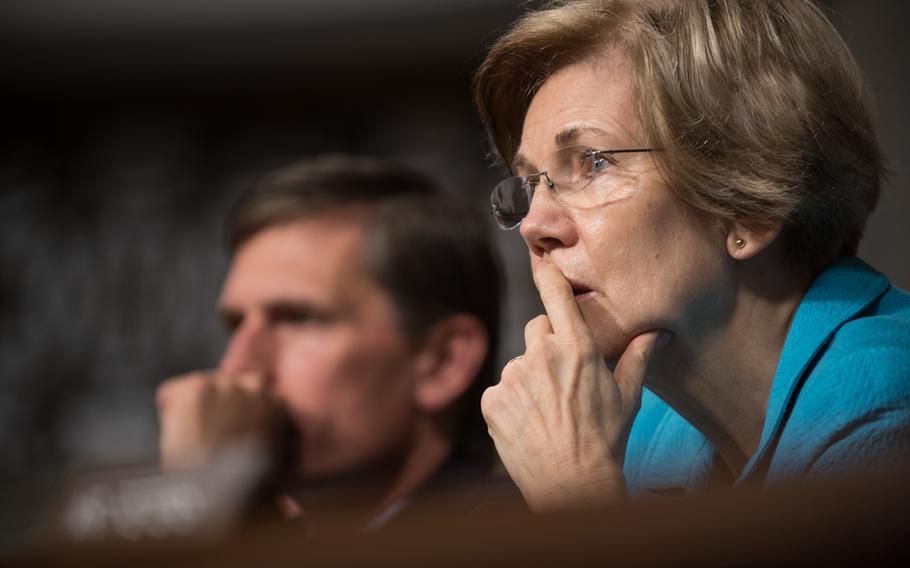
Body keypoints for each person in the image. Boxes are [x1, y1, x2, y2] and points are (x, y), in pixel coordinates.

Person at [472, 0, 910, 511]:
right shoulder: (646, 421)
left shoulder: (884, 407)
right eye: (529, 184)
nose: (534, 226)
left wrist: (575, 496)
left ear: (748, 205)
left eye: (593, 162)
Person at [156, 154, 504, 530]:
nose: (238, 364)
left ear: (443, 360)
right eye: (235, 324)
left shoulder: (516, 540)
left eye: (298, 319)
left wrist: (206, 499)